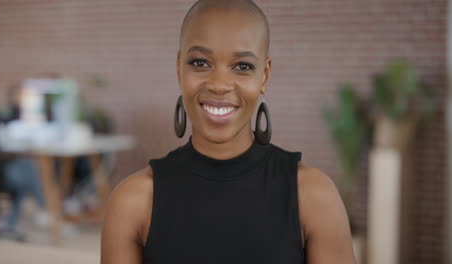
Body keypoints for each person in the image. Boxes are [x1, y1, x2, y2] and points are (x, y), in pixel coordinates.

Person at [101, 0, 356, 263]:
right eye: (200, 62)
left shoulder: (313, 196)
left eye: (242, 66)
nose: (219, 85)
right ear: (179, 68)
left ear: (264, 76)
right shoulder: (133, 202)